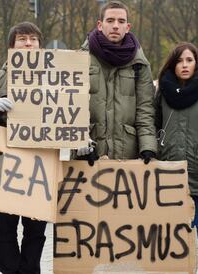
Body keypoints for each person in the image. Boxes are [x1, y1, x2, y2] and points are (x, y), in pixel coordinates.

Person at [0, 21, 47, 274]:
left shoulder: (55, 77)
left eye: (33, 39)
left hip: (40, 165)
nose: (28, 43)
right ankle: (9, 270)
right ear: (12, 46)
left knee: (36, 229)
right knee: (5, 227)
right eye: (22, 39)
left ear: (40, 45)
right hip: (4, 166)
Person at [77, 0, 157, 164]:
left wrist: (147, 147)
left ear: (128, 27)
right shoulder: (80, 58)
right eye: (110, 20)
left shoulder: (139, 64)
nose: (115, 26)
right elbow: (71, 106)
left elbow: (145, 110)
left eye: (121, 21)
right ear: (100, 25)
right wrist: (79, 141)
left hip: (127, 156)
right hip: (87, 155)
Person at [155, 42, 198, 249]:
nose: (184, 65)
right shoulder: (162, 91)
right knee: (165, 231)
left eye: (189, 60)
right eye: (179, 61)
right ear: (172, 65)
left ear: (197, 63)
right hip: (167, 172)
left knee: (190, 229)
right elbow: (153, 124)